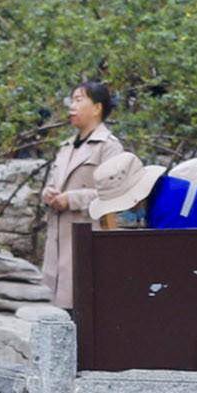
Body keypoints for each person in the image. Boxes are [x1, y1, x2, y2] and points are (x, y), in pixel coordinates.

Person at [38, 79, 152, 304]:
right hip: (57, 240)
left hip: (86, 234)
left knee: (82, 303)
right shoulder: (65, 146)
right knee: (53, 308)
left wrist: (71, 200)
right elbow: (53, 182)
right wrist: (48, 194)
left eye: (79, 100)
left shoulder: (109, 146)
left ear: (97, 108)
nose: (72, 106)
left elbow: (117, 194)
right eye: (71, 100)